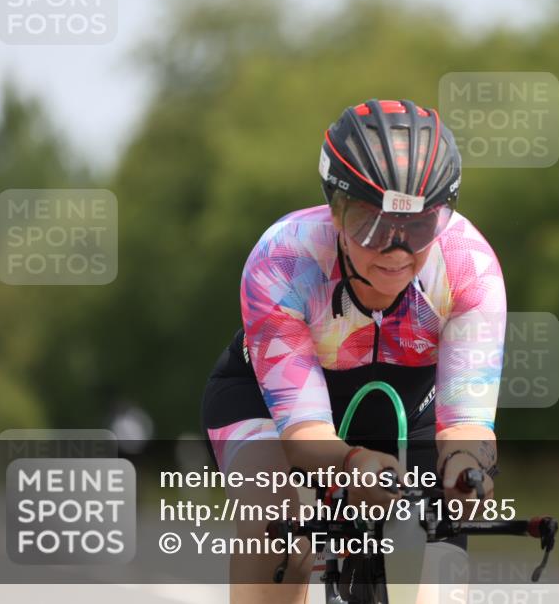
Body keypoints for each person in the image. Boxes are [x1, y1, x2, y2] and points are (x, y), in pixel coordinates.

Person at [201, 99, 506, 604]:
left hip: (410, 408)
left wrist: (467, 470)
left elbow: (468, 425)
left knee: (448, 530)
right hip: (269, 407)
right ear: (335, 209)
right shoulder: (284, 258)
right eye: (370, 223)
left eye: (418, 227)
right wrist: (353, 462)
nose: (396, 249)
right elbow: (305, 437)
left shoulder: (468, 266)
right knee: (280, 522)